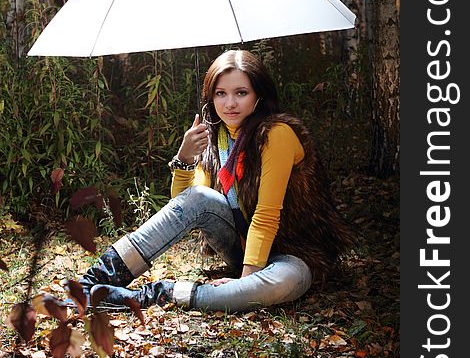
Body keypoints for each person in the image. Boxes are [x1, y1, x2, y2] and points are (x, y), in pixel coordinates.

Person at [73, 49, 352, 313]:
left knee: (282, 283)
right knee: (200, 196)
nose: (230, 103)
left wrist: (244, 281)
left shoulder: (276, 134)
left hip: (293, 254)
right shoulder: (215, 138)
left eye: (241, 93)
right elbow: (186, 206)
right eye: (221, 93)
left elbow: (267, 215)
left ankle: (154, 295)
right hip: (242, 250)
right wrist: (184, 158)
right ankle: (95, 280)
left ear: (258, 96)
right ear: (211, 97)